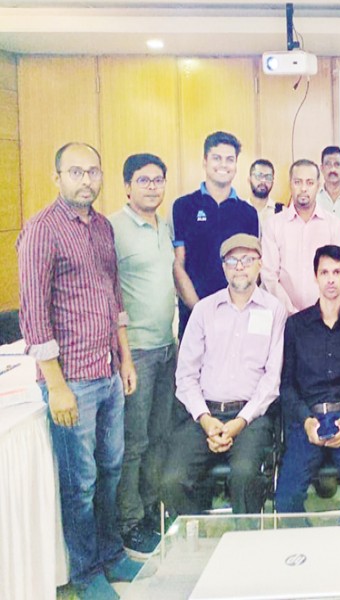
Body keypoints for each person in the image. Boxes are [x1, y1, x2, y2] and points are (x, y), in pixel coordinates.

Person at [17, 142, 142, 597]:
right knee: (81, 483)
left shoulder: (102, 227)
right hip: (71, 380)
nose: (86, 180)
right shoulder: (41, 230)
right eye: (76, 172)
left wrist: (125, 358)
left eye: (92, 171)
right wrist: (56, 386)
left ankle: (111, 555)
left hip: (108, 371)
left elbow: (115, 298)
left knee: (110, 470)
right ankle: (87, 573)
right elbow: (33, 315)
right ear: (57, 177)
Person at [162, 234, 286, 515]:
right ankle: (196, 535)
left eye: (247, 260)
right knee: (172, 481)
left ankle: (243, 538)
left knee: (244, 474)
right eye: (232, 261)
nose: (240, 267)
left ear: (259, 265)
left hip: (251, 418)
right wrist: (206, 420)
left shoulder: (274, 311)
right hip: (203, 415)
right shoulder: (204, 310)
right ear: (223, 267)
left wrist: (239, 422)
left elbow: (272, 379)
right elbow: (186, 375)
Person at [109, 153, 177, 558]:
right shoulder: (114, 229)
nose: (152, 187)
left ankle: (152, 510)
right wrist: (124, 357)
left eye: (158, 180)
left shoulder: (163, 225)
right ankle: (129, 522)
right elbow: (109, 294)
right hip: (135, 352)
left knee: (159, 437)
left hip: (167, 347)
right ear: (127, 186)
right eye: (143, 180)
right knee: (133, 442)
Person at [275, 245, 340, 513]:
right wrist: (306, 420)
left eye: (337, 272)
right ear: (316, 277)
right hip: (308, 421)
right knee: (285, 499)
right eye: (324, 272)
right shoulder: (296, 326)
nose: (331, 279)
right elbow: (287, 386)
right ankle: (310, 540)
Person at [172, 131, 259, 336]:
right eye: (216, 158)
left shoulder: (248, 213)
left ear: (236, 165)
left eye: (230, 159)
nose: (223, 165)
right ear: (205, 161)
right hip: (194, 318)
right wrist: (201, 312)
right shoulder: (183, 206)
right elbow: (179, 265)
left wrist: (237, 311)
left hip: (237, 321)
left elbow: (253, 268)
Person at [260, 158, 340, 315]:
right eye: (297, 182)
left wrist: (321, 313)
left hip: (324, 318)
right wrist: (291, 313)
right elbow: (269, 276)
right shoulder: (273, 225)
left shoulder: (334, 225)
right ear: (290, 184)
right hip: (284, 317)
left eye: (309, 183)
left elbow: (339, 274)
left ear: (318, 185)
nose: (303, 188)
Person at [247, 159, 282, 227]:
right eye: (259, 176)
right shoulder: (239, 210)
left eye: (268, 177)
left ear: (273, 182)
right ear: (249, 179)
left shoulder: (281, 211)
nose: (263, 181)